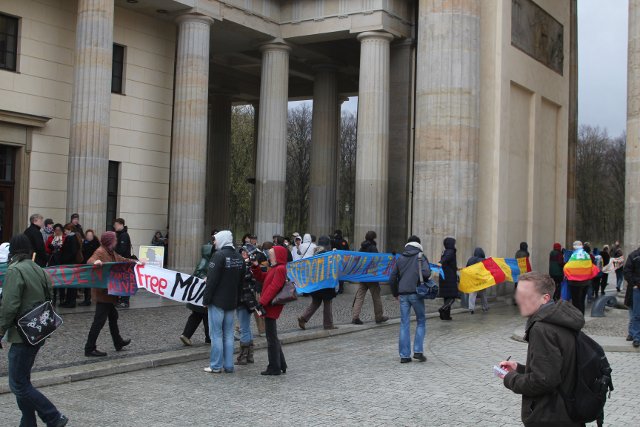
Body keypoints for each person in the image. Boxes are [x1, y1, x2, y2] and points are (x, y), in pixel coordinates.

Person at [498, 272, 584, 427]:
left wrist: (509, 378)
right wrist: (520, 369)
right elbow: (555, 369)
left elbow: (543, 381)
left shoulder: (542, 328)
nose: (519, 299)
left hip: (550, 416)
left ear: (545, 298)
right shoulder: (561, 320)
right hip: (568, 412)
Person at [0, 234, 69, 427]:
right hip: (38, 329)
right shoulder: (38, 268)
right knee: (23, 380)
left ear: (12, 251)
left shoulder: (15, 270)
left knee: (18, 384)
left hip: (22, 332)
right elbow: (50, 295)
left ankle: (53, 416)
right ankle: (28, 421)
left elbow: (9, 306)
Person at [84, 232, 135, 357]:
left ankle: (118, 342)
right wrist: (95, 263)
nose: (116, 241)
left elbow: (123, 260)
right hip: (103, 294)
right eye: (115, 239)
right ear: (109, 241)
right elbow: (90, 261)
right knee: (99, 321)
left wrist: (136, 262)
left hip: (111, 293)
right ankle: (89, 348)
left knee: (113, 317)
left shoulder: (112, 252)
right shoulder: (100, 251)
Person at [202, 230, 245, 374]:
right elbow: (240, 282)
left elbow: (212, 281)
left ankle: (215, 366)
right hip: (231, 301)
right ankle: (229, 365)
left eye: (215, 240)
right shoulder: (239, 257)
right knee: (228, 334)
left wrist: (206, 299)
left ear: (221, 240)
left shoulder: (218, 256)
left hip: (217, 301)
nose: (214, 242)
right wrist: (237, 300)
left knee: (216, 334)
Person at [390, 235, 430, 363]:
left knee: (404, 323)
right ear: (419, 245)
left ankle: (404, 355)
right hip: (416, 293)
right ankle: (418, 351)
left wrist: (395, 293)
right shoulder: (420, 257)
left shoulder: (400, 258)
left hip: (403, 294)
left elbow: (392, 277)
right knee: (421, 320)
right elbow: (427, 273)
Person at [251, 246, 289, 376]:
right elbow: (262, 278)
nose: (269, 255)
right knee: (273, 336)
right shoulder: (276, 268)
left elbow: (274, 287)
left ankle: (274, 367)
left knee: (271, 338)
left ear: (278, 256)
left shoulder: (279, 269)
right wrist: (255, 267)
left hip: (271, 306)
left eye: (271, 254)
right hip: (270, 305)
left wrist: (261, 302)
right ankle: (281, 364)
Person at [297, 236, 338, 331]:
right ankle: (328, 325)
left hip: (316, 283)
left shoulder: (315, 253)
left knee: (315, 302)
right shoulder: (326, 254)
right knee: (327, 303)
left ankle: (303, 318)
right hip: (325, 283)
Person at [351, 231, 389, 325]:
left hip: (363, 276)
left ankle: (355, 317)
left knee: (359, 297)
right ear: (374, 238)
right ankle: (379, 316)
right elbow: (376, 261)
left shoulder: (361, 248)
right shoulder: (373, 248)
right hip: (372, 276)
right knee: (376, 297)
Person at [180, 241, 213, 346]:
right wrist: (205, 278)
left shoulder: (206, 261)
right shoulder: (205, 261)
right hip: (201, 294)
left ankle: (186, 335)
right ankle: (209, 338)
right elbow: (198, 273)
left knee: (197, 315)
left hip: (198, 295)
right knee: (207, 315)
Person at [564, 241, 598, 315]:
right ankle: (582, 316)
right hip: (586, 282)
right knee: (582, 300)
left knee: (576, 301)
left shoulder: (574, 255)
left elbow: (567, 267)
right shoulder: (586, 255)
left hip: (574, 282)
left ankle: (576, 318)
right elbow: (592, 267)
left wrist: (568, 275)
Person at [58, 223, 83, 308]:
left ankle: (71, 302)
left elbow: (72, 252)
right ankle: (68, 301)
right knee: (70, 283)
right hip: (72, 263)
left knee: (71, 284)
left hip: (70, 263)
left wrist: (63, 259)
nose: (64, 231)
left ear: (70, 230)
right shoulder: (74, 237)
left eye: (65, 230)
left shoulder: (71, 238)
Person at [623, 244, 640, 348]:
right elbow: (627, 272)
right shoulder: (633, 256)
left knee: (635, 314)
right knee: (635, 314)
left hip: (635, 287)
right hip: (636, 289)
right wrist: (636, 283)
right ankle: (635, 336)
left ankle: (634, 334)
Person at [438, 237, 458, 320]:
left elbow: (448, 262)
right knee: (453, 296)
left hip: (443, 276)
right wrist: (441, 262)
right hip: (449, 277)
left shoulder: (445, 251)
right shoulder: (450, 251)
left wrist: (456, 268)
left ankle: (445, 316)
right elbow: (446, 259)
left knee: (447, 296)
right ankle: (443, 308)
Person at [114, 218, 132, 308]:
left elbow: (122, 250)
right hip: (121, 262)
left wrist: (113, 250)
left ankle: (125, 301)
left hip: (124, 263)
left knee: (125, 281)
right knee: (121, 281)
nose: (115, 226)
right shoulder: (119, 235)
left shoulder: (124, 235)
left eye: (116, 225)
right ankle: (122, 299)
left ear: (121, 224)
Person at [79, 229, 100, 306]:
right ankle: (87, 299)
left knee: (89, 284)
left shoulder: (95, 244)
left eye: (90, 235)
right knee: (86, 284)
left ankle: (88, 300)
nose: (89, 237)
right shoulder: (84, 242)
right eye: (88, 235)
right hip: (85, 265)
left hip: (92, 266)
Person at [466, 247, 489, 314]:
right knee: (483, 294)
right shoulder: (483, 260)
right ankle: (485, 307)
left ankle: (471, 308)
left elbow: (467, 268)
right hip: (481, 279)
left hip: (473, 279)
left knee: (472, 294)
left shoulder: (470, 259)